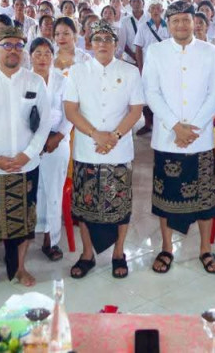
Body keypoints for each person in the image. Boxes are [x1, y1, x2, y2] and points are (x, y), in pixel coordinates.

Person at [143, 1, 215, 275]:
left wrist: (194, 127)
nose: (181, 25)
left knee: (205, 199)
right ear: (168, 23)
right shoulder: (155, 52)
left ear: (195, 22)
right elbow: (151, 93)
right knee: (166, 197)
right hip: (168, 137)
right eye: (175, 20)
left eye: (186, 20)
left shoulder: (211, 51)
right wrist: (175, 126)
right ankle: (166, 248)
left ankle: (205, 249)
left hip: (200, 138)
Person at [0, 26, 52, 291]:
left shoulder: (35, 82)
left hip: (27, 164)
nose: (13, 50)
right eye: (7, 45)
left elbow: (44, 124)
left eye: (18, 45)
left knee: (25, 221)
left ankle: (20, 268)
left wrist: (28, 154)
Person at [63, 21, 144, 279]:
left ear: (115, 44)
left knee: (120, 206)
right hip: (88, 148)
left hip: (119, 150)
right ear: (89, 43)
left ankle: (119, 253)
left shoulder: (130, 71)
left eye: (108, 39)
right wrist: (96, 134)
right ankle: (87, 254)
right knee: (84, 206)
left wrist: (115, 135)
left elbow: (136, 109)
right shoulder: (77, 71)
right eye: (97, 39)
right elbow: (70, 109)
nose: (102, 44)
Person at [29, 37, 72, 263]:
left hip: (57, 142)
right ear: (30, 56)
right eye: (38, 53)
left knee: (53, 192)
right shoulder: (23, 80)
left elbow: (70, 114)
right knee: (32, 192)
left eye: (47, 53)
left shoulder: (62, 80)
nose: (43, 58)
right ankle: (28, 235)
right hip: (28, 147)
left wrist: (57, 137)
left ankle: (51, 239)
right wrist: (33, 143)